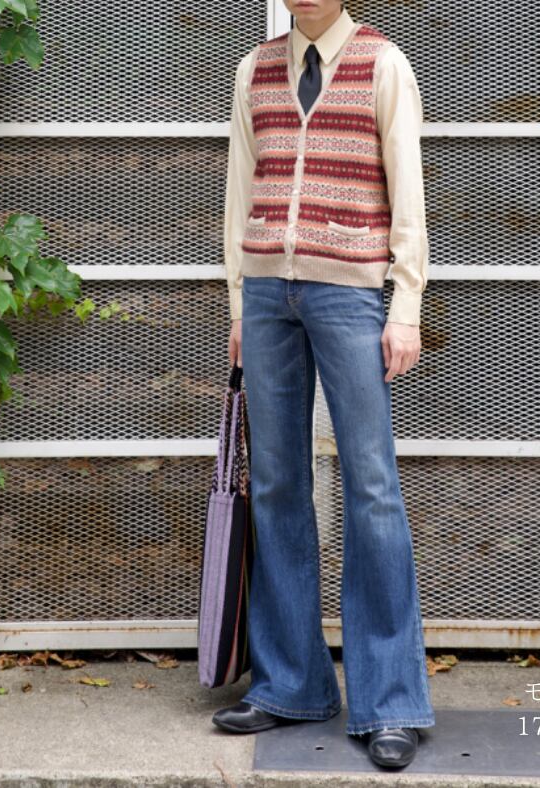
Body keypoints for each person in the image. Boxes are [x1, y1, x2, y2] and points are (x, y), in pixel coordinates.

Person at [212, 0, 434, 769]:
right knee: (276, 483)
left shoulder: (383, 64)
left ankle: (391, 701)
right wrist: (239, 303)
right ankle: (290, 683)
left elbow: (409, 194)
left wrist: (405, 307)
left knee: (371, 486)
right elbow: (241, 190)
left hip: (352, 295)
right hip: (268, 295)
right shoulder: (254, 69)